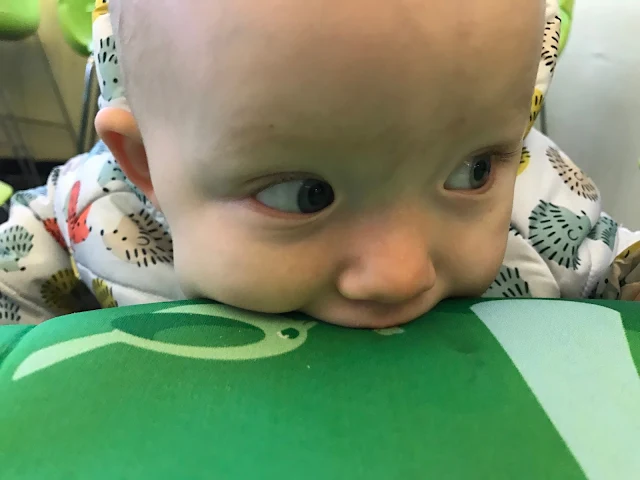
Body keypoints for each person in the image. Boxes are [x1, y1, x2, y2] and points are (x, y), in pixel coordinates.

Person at [0, 0, 637, 329]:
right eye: (304, 195)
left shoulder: (535, 199)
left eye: (470, 173)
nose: (399, 274)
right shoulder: (91, 218)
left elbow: (615, 262)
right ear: (147, 167)